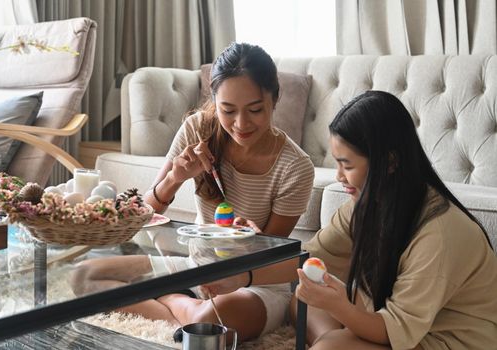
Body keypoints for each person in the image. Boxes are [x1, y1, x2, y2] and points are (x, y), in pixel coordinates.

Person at [202, 90, 497, 349]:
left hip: (448, 340)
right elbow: (307, 259)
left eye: (347, 165)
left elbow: (392, 330)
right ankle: (332, 343)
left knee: (332, 339)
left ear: (390, 162)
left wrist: (339, 307)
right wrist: (244, 276)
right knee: (304, 301)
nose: (340, 177)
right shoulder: (367, 205)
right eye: (337, 164)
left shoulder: (439, 233)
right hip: (393, 318)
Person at [70, 42, 315, 342]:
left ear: (275, 99)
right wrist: (175, 178)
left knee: (211, 321)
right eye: (228, 110)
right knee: (82, 276)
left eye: (255, 110)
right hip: (194, 267)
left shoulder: (295, 167)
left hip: (252, 285)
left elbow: (272, 262)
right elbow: (145, 216)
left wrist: (252, 242)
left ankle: (170, 301)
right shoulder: (197, 129)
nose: (241, 124)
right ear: (214, 100)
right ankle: (183, 312)